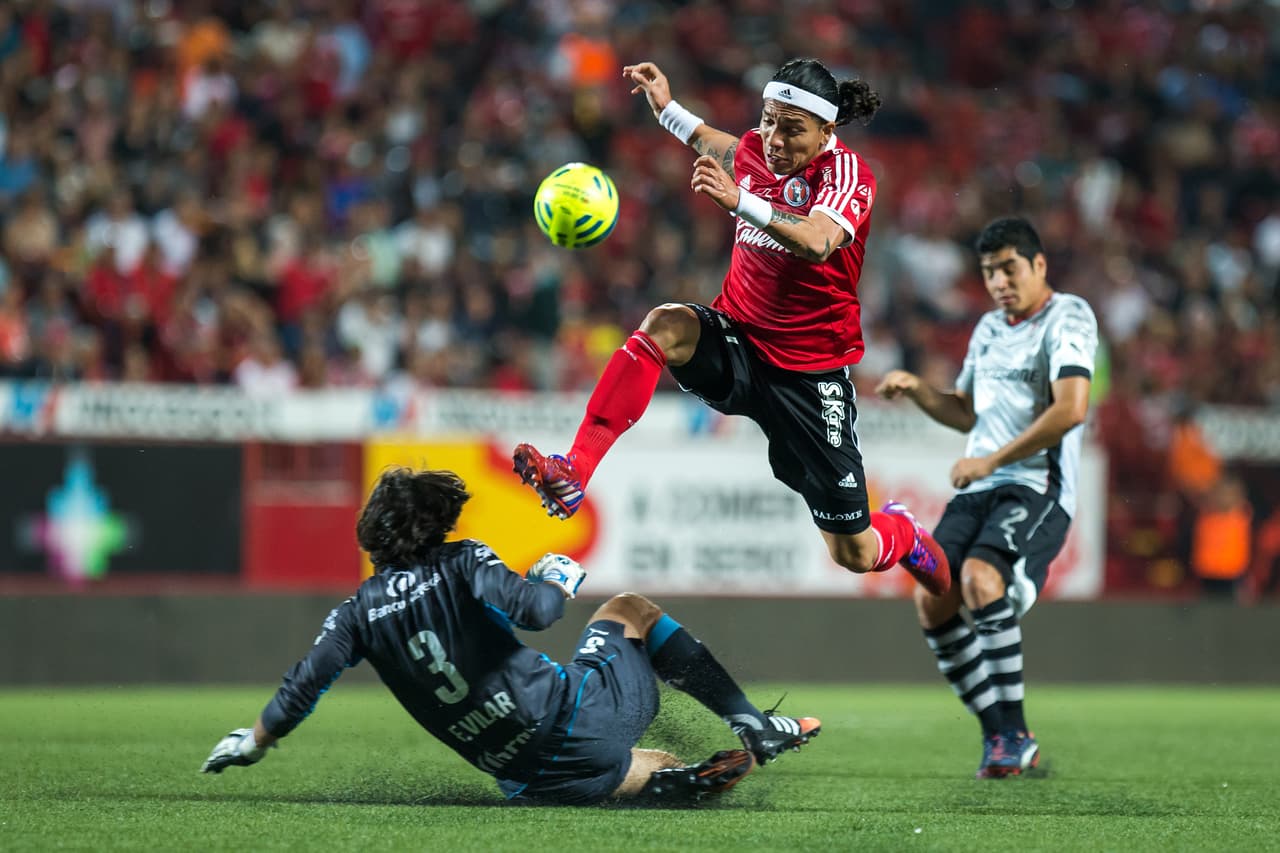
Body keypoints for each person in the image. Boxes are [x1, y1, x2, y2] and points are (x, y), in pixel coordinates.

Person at [512, 58, 950, 597]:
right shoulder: (754, 151)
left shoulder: (847, 174)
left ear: (826, 130)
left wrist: (741, 201)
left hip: (809, 378)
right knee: (664, 325)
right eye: (768, 121)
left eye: (792, 129)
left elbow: (817, 241)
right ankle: (576, 468)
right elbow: (711, 141)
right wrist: (666, 108)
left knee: (854, 552)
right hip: (739, 342)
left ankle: (903, 531)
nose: (774, 140)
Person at [201, 467, 820, 806]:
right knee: (630, 609)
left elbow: (305, 684)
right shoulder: (462, 559)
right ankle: (751, 724)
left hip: (523, 776)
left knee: (635, 764)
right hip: (572, 719)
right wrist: (557, 575)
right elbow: (538, 612)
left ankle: (670, 782)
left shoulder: (355, 613)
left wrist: (253, 741)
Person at [874, 216, 1099, 779]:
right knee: (932, 598)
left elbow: (1071, 408)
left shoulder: (1068, 315)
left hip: (1036, 485)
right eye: (990, 272)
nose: (999, 281)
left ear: (1039, 264)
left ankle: (1013, 732)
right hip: (980, 487)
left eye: (1009, 268)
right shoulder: (989, 328)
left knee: (980, 578)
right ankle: (1001, 736)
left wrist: (992, 460)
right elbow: (966, 412)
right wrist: (919, 390)